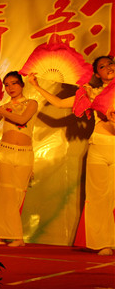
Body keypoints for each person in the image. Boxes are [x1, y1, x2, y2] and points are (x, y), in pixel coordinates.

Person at [28, 56, 115, 255]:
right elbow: (59, 103)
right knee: (97, 198)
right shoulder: (91, 92)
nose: (108, 67)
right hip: (98, 147)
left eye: (111, 63)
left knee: (112, 197)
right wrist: (36, 85)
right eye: (102, 66)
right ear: (97, 73)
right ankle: (102, 243)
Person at [0, 72, 38, 246]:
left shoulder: (32, 103)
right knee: (4, 194)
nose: (10, 88)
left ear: (22, 85)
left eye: (14, 83)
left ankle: (4, 233)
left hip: (25, 153)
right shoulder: (3, 107)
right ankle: (13, 237)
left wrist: (1, 110)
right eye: (7, 84)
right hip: (5, 152)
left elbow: (22, 120)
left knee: (17, 194)